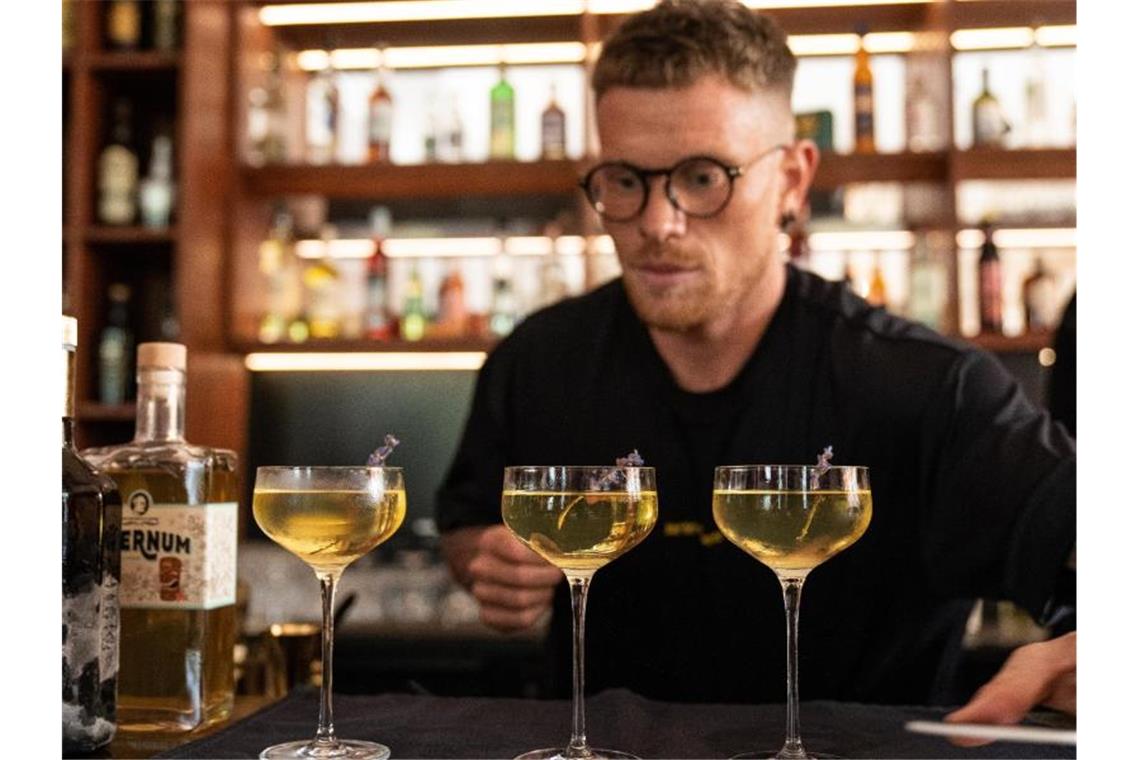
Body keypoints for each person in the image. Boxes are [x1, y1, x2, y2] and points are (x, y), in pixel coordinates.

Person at [435, 0, 1076, 725]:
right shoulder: (538, 362)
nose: (657, 223)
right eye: (623, 180)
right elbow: (466, 522)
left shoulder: (927, 388)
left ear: (794, 182)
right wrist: (487, 565)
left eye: (703, 178)